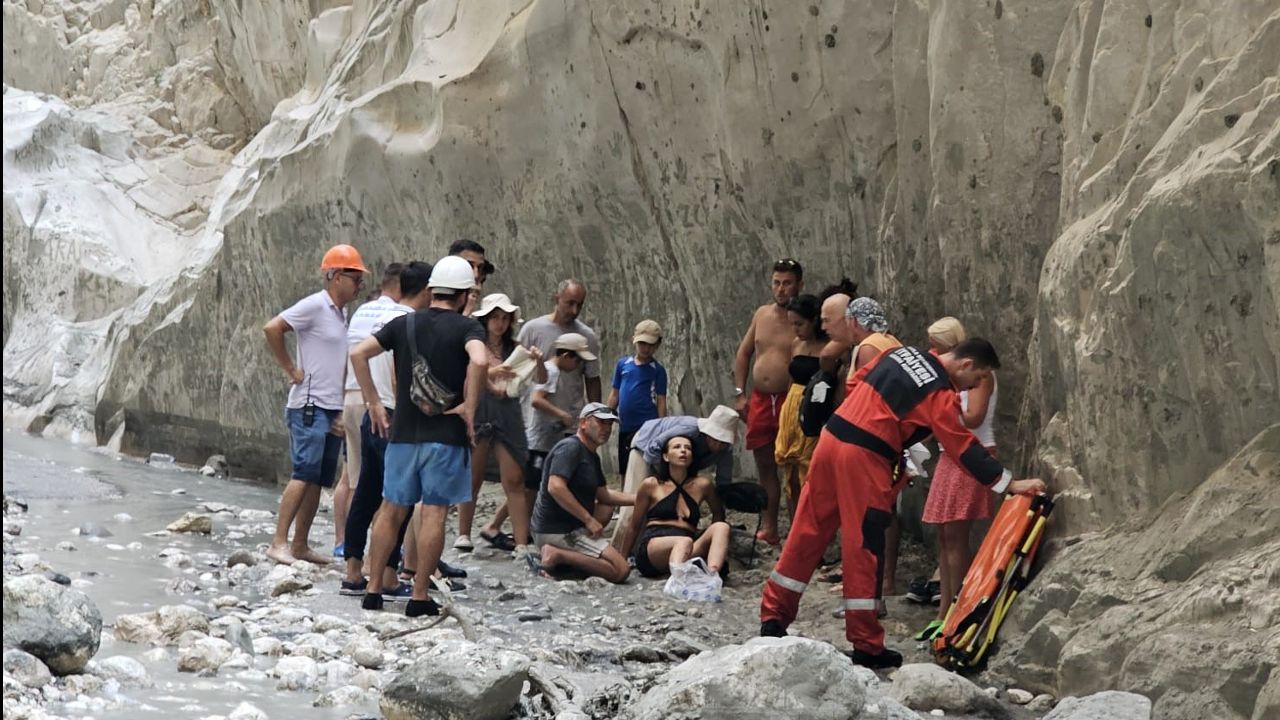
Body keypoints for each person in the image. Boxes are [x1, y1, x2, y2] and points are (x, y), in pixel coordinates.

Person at [759, 338, 1046, 669]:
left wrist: (879, 422)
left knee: (807, 529)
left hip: (832, 438)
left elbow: (855, 381)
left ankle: (773, 619)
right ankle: (866, 645)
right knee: (864, 545)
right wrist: (1009, 483)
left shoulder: (901, 353)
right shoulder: (939, 392)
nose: (977, 385)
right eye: (979, 377)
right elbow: (961, 445)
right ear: (966, 365)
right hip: (865, 457)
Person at [348, 255, 487, 617]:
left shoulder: (403, 324)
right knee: (434, 514)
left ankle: (374, 589)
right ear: (463, 295)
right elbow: (481, 361)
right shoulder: (467, 329)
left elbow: (359, 353)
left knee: (391, 510)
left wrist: (374, 402)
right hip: (446, 437)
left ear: (433, 290)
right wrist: (470, 407)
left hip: (403, 435)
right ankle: (420, 595)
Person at [262, 244, 369, 565]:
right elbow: (272, 328)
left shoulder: (341, 313)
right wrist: (290, 369)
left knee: (319, 479)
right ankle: (277, 542)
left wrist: (340, 408)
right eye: (354, 277)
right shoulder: (315, 305)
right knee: (304, 473)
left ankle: (300, 545)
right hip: (309, 404)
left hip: (330, 407)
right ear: (334, 276)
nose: (359, 284)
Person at [339, 261, 430, 598]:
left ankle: (352, 572)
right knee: (398, 502)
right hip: (396, 418)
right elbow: (399, 373)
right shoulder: (407, 323)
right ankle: (389, 575)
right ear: (426, 291)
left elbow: (356, 356)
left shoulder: (371, 314)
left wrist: (371, 401)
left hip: (371, 416)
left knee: (364, 494)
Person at [916, 318, 1000, 642]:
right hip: (952, 455)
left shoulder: (980, 375)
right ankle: (943, 612)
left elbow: (975, 417)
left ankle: (959, 608)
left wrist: (941, 413)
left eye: (938, 347)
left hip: (971, 453)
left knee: (957, 538)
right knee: (945, 538)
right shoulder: (951, 379)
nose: (934, 353)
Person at [455, 293, 546, 560]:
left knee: (515, 477)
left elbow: (539, 378)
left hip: (507, 411)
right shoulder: (475, 345)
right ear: (485, 319)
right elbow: (467, 375)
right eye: (495, 317)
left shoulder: (516, 348)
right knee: (474, 475)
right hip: (482, 408)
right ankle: (464, 534)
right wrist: (492, 374)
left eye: (504, 318)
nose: (500, 323)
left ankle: (520, 542)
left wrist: (538, 360)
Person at [733, 258, 804, 545]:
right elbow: (743, 353)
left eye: (787, 283)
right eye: (777, 282)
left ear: (798, 285)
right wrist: (740, 393)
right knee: (765, 466)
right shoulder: (762, 314)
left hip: (789, 400)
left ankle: (798, 533)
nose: (781, 289)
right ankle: (770, 526)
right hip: (761, 400)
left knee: (793, 467)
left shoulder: (802, 318)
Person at [336, 263, 405, 558]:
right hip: (376, 402)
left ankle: (347, 547)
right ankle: (376, 553)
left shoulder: (360, 312)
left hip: (352, 395)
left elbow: (347, 356)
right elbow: (392, 369)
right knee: (379, 487)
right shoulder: (399, 315)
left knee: (354, 481)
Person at [529, 403, 636, 582]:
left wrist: (641, 498)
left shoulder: (592, 455)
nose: (607, 429)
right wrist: (589, 520)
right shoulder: (571, 448)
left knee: (606, 508)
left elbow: (604, 496)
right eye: (601, 422)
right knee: (621, 570)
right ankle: (556, 554)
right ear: (584, 423)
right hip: (557, 530)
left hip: (571, 526)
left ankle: (568, 561)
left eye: (610, 425)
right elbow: (555, 486)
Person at [609, 405, 739, 549]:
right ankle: (618, 553)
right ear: (708, 433)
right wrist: (662, 481)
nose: (719, 445)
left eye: (723, 442)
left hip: (677, 464)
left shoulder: (726, 451)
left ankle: (651, 548)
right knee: (634, 508)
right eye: (716, 439)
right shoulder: (690, 429)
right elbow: (654, 448)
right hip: (646, 445)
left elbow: (723, 483)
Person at [617, 435, 730, 578]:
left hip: (688, 547)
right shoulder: (652, 485)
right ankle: (678, 581)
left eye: (687, 448)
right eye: (677, 447)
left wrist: (708, 541)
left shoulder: (703, 485)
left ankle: (712, 575)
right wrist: (622, 560)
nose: (683, 451)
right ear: (665, 456)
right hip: (654, 549)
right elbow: (634, 525)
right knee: (684, 541)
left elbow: (718, 513)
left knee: (722, 527)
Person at [773, 294, 827, 522]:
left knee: (811, 473)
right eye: (792, 323)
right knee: (791, 474)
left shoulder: (829, 348)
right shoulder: (796, 344)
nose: (795, 329)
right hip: (792, 408)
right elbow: (790, 379)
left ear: (814, 320)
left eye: (800, 324)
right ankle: (795, 528)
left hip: (814, 410)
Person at [607, 319, 669, 476]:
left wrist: (662, 426)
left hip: (647, 426)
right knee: (625, 469)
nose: (646, 348)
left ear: (657, 345)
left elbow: (661, 399)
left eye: (650, 344)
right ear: (634, 340)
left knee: (646, 468)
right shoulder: (623, 365)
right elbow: (615, 393)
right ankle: (624, 499)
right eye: (642, 343)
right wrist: (607, 415)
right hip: (626, 426)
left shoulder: (657, 370)